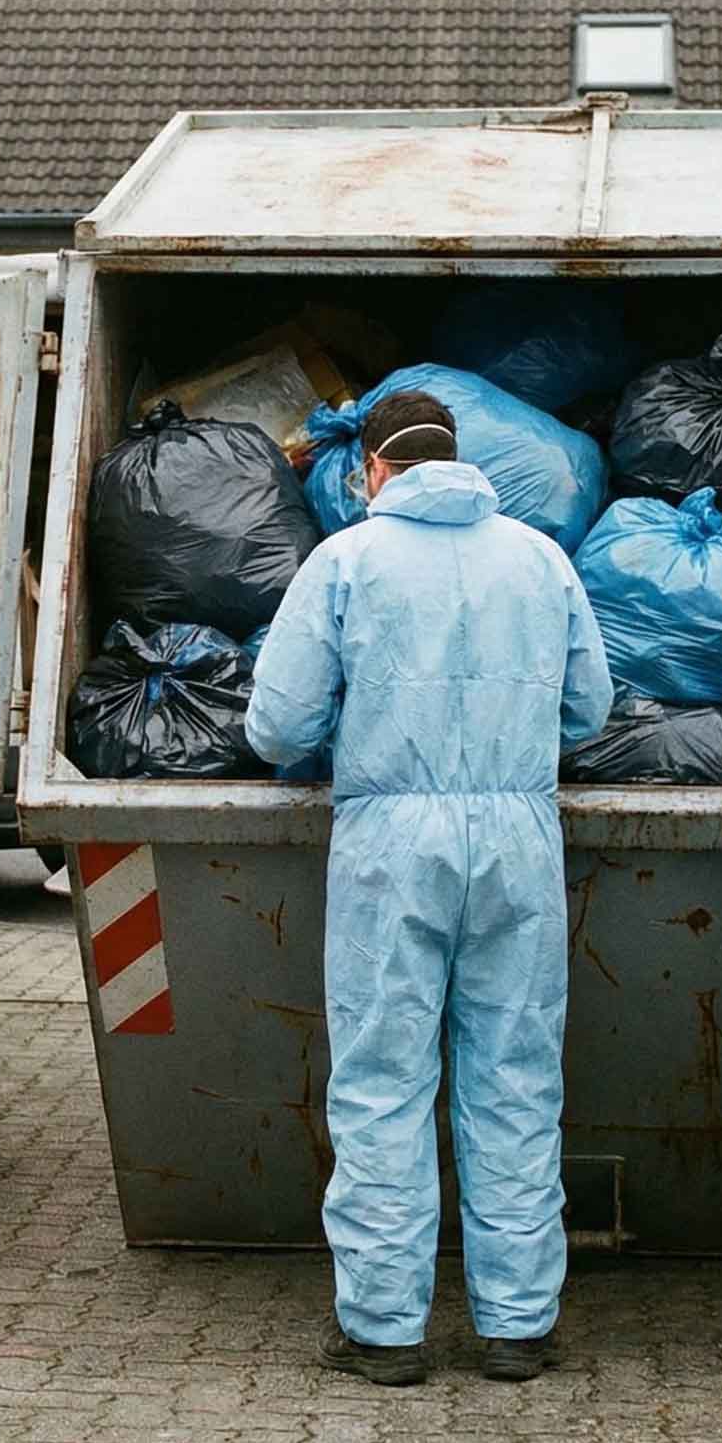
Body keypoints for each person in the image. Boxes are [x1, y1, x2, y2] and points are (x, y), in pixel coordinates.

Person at [245, 389, 613, 1387]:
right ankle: (517, 1326)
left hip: (390, 845)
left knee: (383, 1080)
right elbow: (589, 709)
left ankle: (383, 1330)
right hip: (517, 840)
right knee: (515, 1076)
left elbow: (277, 727)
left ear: (372, 468)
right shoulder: (539, 559)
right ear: (457, 458)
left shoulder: (345, 562)